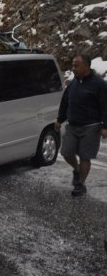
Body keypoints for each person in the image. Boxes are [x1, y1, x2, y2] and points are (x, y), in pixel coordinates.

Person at [55, 55, 107, 197]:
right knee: (66, 152)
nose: (73, 69)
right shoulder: (72, 83)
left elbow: (105, 106)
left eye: (76, 66)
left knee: (85, 156)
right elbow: (65, 102)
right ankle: (77, 170)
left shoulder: (99, 84)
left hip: (91, 126)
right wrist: (60, 120)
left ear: (86, 66)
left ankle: (80, 184)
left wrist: (105, 126)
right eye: (72, 65)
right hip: (73, 125)